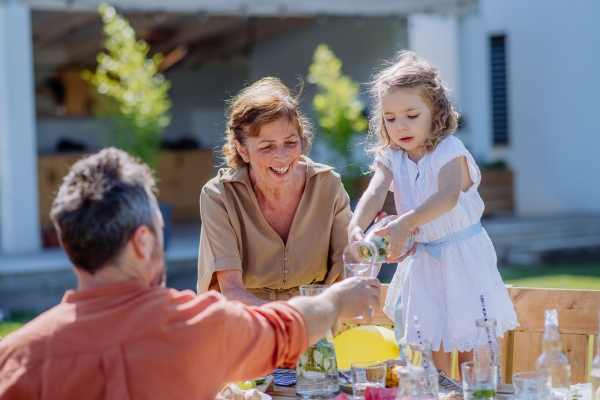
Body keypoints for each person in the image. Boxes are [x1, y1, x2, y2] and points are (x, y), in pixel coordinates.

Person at [0, 148, 381, 400]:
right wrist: (335, 301)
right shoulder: (200, 328)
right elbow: (286, 328)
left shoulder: (15, 359)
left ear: (69, 245)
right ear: (142, 242)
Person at [348, 51, 518, 374]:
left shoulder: (449, 150)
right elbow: (374, 192)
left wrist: (404, 222)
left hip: (463, 261)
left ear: (436, 110)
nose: (401, 126)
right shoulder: (392, 156)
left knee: (473, 359)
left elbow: (448, 196)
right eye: (390, 117)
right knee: (432, 361)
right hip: (424, 265)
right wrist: (355, 227)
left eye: (412, 115)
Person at [198, 77, 352, 304]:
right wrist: (294, 321)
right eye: (267, 147)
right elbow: (231, 291)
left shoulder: (329, 185)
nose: (282, 156)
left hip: (317, 321)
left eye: (290, 142)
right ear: (242, 150)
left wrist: (374, 250)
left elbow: (347, 276)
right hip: (249, 322)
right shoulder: (218, 196)